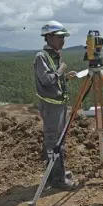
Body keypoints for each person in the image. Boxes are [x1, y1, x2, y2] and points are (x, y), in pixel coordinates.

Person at [34, 20, 77, 189]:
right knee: (54, 142)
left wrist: (65, 77)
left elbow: (54, 81)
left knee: (59, 140)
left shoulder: (54, 55)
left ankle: (55, 174)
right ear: (49, 37)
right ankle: (58, 180)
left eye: (63, 37)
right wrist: (60, 72)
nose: (63, 40)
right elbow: (45, 80)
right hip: (51, 106)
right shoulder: (41, 57)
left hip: (58, 104)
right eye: (60, 37)